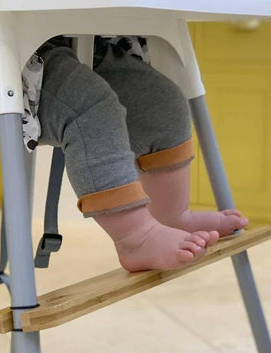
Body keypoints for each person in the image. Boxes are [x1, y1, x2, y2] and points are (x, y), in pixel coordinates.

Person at [35, 36, 248, 272]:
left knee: (162, 103)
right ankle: (136, 239)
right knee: (88, 107)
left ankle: (173, 215)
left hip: (77, 39)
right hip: (19, 57)